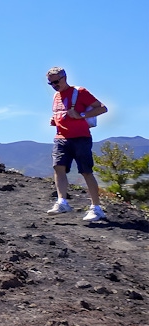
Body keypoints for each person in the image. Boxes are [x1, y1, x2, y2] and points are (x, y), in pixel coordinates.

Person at [45, 67, 108, 221]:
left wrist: (82, 115)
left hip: (81, 138)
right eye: (50, 83)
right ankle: (62, 201)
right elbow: (61, 113)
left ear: (64, 78)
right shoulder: (56, 96)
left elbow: (102, 108)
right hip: (61, 137)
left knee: (86, 171)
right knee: (58, 167)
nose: (54, 85)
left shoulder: (79, 92)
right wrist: (55, 120)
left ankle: (96, 208)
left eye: (56, 81)